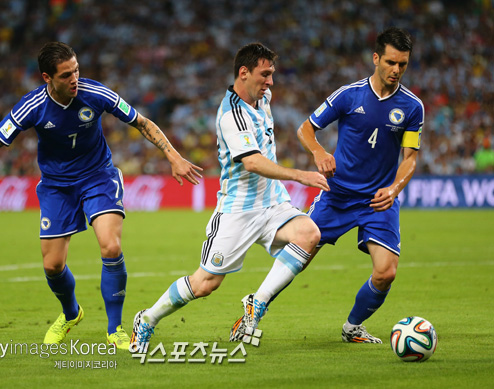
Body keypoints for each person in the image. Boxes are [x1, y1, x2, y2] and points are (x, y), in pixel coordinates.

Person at [0, 42, 202, 349]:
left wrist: (172, 155)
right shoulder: (32, 106)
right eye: (66, 75)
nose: (75, 79)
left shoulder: (96, 93)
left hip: (98, 176)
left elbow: (141, 122)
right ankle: (71, 313)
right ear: (48, 78)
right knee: (52, 266)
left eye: (77, 71)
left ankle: (115, 329)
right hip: (57, 186)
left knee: (110, 246)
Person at [129, 42, 329, 350]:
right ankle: (147, 319)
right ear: (244, 73)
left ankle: (256, 304)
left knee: (308, 234)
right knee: (204, 284)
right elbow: (251, 162)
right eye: (265, 74)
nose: (271, 82)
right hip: (238, 211)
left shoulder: (264, 97)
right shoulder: (230, 115)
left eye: (272, 74)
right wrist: (301, 175)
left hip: (272, 203)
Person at [296, 27, 424, 343]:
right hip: (337, 195)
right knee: (295, 259)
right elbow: (306, 129)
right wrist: (319, 151)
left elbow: (410, 158)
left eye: (403, 65)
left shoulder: (412, 107)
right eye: (391, 62)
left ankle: (353, 327)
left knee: (386, 272)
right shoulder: (348, 95)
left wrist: (394, 189)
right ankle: (254, 310)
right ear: (376, 58)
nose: (396, 70)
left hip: (379, 201)